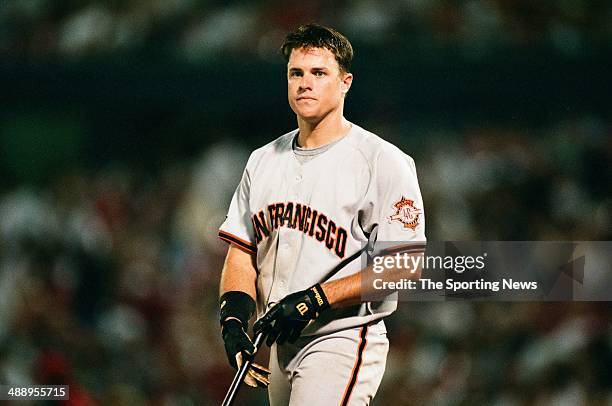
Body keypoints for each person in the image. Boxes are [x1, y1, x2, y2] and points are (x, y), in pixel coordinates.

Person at [218, 23, 426, 405]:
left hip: (342, 336)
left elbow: (404, 264)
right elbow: (242, 250)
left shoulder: (383, 161)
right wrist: (233, 318)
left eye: (319, 73)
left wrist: (316, 298)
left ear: (345, 82)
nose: (304, 83)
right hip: (281, 342)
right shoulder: (262, 160)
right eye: (296, 73)